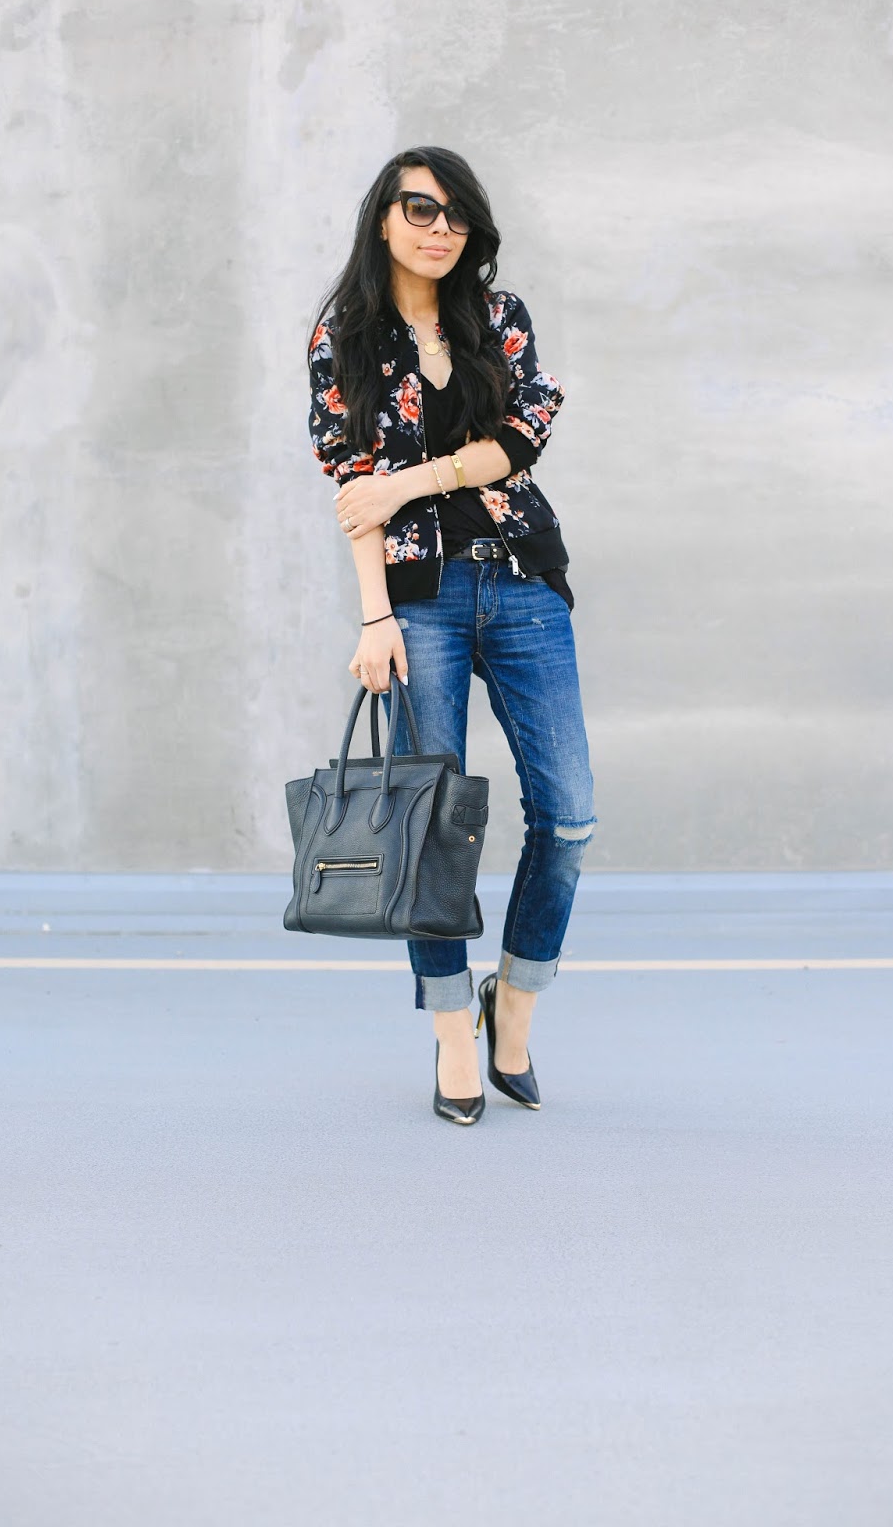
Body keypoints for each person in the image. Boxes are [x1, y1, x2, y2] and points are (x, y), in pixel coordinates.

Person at [308, 146, 596, 1126]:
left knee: (568, 816)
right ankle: (451, 1033)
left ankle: (512, 1001)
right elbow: (353, 492)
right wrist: (374, 615)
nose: (440, 229)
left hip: (521, 583)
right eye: (420, 209)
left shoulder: (497, 317)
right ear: (383, 216)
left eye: (456, 214)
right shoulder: (344, 335)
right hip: (417, 603)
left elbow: (524, 435)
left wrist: (413, 480)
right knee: (431, 826)